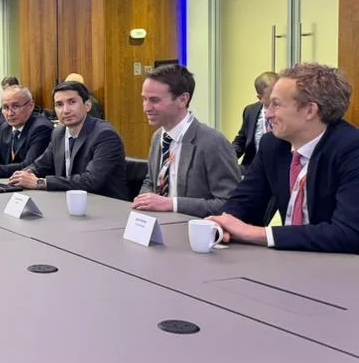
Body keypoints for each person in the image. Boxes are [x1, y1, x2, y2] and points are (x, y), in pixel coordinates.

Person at [209, 63, 359, 253]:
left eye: (277, 104)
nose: (268, 113)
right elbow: (244, 200)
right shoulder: (272, 145)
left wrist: (258, 234)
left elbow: (349, 234)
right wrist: (224, 223)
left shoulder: (352, 150)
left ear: (310, 110)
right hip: (286, 261)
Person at [132, 65, 241, 217]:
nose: (146, 108)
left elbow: (230, 203)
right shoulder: (158, 137)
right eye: (144, 99)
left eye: (155, 100)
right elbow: (150, 182)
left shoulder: (212, 142)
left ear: (183, 100)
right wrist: (144, 201)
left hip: (195, 227)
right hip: (160, 222)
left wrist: (172, 204)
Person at [9, 81, 127, 199]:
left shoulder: (105, 135)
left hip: (105, 204)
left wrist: (40, 182)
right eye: (59, 104)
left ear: (87, 105)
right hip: (67, 200)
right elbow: (40, 165)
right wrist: (23, 175)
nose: (65, 110)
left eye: (72, 102)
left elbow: (91, 181)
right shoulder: (58, 133)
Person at [232, 71, 279, 169]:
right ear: (260, 98)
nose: (277, 99)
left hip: (279, 167)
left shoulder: (287, 111)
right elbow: (241, 141)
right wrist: (224, 158)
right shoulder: (250, 111)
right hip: (253, 167)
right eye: (272, 97)